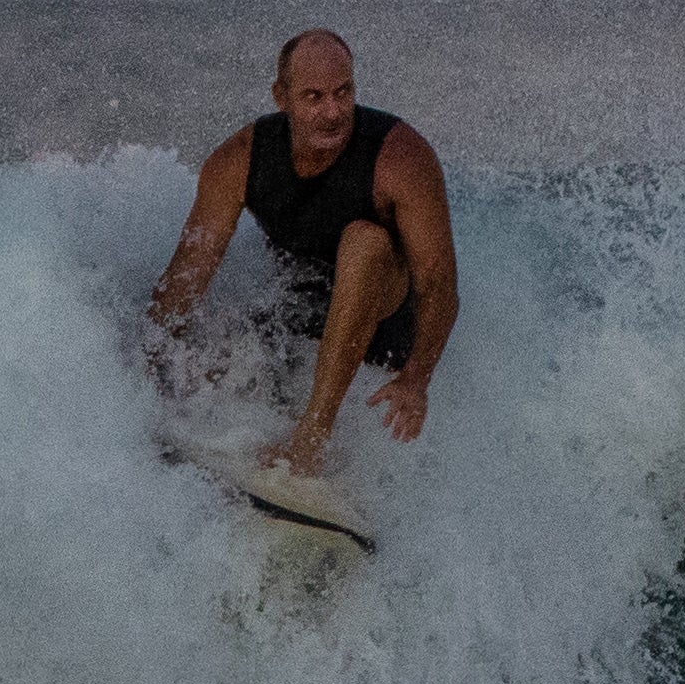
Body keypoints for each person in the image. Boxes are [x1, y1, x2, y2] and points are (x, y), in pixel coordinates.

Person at [146, 26, 458, 475]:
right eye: (314, 97)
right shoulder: (238, 161)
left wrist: (416, 379)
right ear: (281, 96)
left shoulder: (401, 159)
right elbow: (186, 278)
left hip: (383, 336)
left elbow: (439, 285)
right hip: (301, 326)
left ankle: (309, 444)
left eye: (343, 92)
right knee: (215, 351)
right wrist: (142, 375)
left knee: (363, 241)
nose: (333, 112)